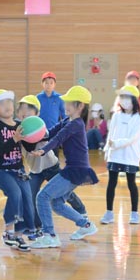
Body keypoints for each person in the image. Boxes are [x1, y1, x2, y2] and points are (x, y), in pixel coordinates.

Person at [29, 87, 98, 248]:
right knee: (57, 204)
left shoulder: (76, 124)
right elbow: (50, 133)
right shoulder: (68, 121)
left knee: (42, 196)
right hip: (76, 170)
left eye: (69, 103)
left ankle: (50, 235)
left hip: (75, 170)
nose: (65, 105)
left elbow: (58, 139)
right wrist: (36, 134)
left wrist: (43, 150)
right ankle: (86, 225)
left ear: (80, 106)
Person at [17, 95, 89, 239]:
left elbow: (46, 138)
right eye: (22, 110)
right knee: (32, 198)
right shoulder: (19, 130)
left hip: (50, 166)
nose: (25, 113)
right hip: (35, 170)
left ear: (37, 114)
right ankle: (38, 228)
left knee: (63, 194)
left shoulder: (38, 127)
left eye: (29, 111)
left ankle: (80, 209)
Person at [0, 89, 35, 252]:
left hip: (18, 170)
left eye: (9, 102)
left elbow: (27, 144)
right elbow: (0, 150)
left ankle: (18, 234)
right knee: (15, 193)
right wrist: (14, 138)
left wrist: (33, 143)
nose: (6, 106)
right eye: (1, 103)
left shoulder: (18, 125)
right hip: (0, 170)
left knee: (26, 198)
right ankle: (8, 231)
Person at [101, 85, 140, 224]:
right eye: (122, 98)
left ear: (134, 100)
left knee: (131, 183)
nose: (124, 101)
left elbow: (133, 138)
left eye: (127, 98)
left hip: (129, 156)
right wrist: (107, 150)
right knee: (111, 183)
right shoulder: (116, 115)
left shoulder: (139, 118)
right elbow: (111, 134)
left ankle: (134, 213)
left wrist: (116, 143)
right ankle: (109, 213)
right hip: (115, 155)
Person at [37, 72, 66, 156]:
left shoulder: (59, 98)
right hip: (40, 131)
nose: (48, 85)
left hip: (54, 132)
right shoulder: (38, 98)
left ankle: (55, 169)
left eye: (51, 83)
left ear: (54, 84)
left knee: (54, 154)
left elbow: (64, 115)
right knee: (41, 153)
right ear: (42, 84)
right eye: (46, 83)